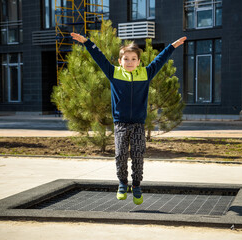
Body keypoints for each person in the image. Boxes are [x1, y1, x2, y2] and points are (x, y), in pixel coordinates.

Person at [71, 32, 186, 205]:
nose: (130, 62)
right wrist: (87, 42)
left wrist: (172, 46)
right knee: (121, 155)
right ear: (120, 61)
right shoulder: (113, 73)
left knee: (138, 154)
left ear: (139, 62)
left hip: (138, 124)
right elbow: (99, 57)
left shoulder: (146, 74)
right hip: (120, 124)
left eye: (133, 59)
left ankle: (137, 185)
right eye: (126, 59)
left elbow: (160, 60)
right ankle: (123, 183)